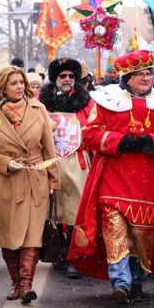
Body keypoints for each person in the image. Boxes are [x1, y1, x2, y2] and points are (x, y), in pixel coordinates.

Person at [68, 50, 154, 304]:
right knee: (115, 229)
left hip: (147, 181)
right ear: (127, 77)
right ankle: (121, 283)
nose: (146, 78)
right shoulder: (107, 100)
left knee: (143, 235)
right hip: (113, 177)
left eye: (148, 74)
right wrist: (120, 142)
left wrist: (150, 142)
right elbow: (90, 134)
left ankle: (137, 281)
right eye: (140, 74)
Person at [0, 65, 60, 304]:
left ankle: (26, 285)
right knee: (9, 236)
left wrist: (54, 180)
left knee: (32, 234)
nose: (20, 87)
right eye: (14, 83)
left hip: (35, 179)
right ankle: (15, 283)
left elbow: (48, 148)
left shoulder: (38, 109)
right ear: (3, 86)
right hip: (4, 181)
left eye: (22, 82)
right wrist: (5, 162)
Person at [38, 58, 94, 279]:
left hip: (76, 160)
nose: (68, 80)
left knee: (74, 210)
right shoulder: (41, 103)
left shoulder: (87, 103)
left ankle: (73, 257)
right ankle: (56, 253)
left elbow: (95, 128)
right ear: (56, 79)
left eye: (71, 76)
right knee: (51, 210)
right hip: (49, 161)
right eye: (63, 76)